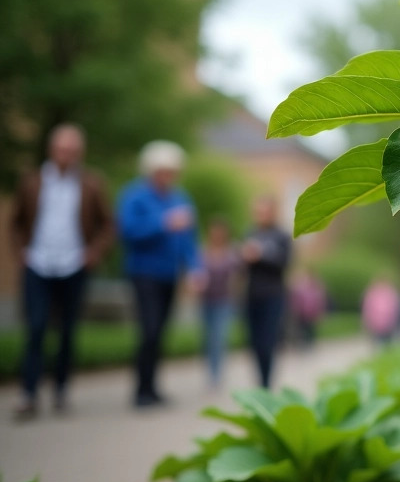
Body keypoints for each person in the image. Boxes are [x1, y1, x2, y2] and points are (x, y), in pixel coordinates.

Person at [9, 124, 114, 418]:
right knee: (36, 327)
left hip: (73, 265)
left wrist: (93, 253)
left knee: (68, 330)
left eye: (72, 150)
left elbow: (107, 225)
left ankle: (61, 388)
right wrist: (21, 253)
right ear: (51, 150)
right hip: (37, 263)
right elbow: (15, 222)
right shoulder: (32, 181)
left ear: (79, 153)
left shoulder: (91, 183)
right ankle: (28, 393)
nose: (66, 155)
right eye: (61, 149)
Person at [118, 141, 200, 408]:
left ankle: (153, 387)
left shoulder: (181, 198)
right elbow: (128, 232)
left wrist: (196, 269)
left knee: (161, 331)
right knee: (149, 330)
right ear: (151, 170)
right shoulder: (135, 196)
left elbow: (189, 239)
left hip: (169, 274)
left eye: (172, 171)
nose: (168, 176)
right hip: (144, 273)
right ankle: (141, 389)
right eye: (162, 171)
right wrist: (163, 223)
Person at [241, 195, 291, 388]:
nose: (259, 215)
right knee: (253, 343)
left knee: (267, 343)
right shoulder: (250, 233)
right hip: (252, 295)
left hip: (273, 296)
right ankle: (260, 380)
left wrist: (260, 255)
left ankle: (266, 383)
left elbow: (284, 262)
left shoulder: (282, 236)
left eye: (263, 211)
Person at [200, 218, 239, 390]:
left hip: (223, 301)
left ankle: (216, 375)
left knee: (218, 338)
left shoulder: (230, 254)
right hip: (205, 301)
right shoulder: (203, 252)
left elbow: (237, 277)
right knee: (207, 338)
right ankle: (210, 371)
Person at [289, 268, 326, 348]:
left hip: (312, 312)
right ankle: (304, 343)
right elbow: (295, 300)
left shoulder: (316, 287)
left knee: (310, 329)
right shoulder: (300, 287)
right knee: (303, 329)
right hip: (302, 312)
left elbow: (320, 301)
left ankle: (310, 343)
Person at [361, 276, 400, 347]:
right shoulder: (374, 293)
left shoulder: (388, 292)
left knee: (383, 344)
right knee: (382, 345)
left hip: (385, 324)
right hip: (379, 324)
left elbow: (396, 309)